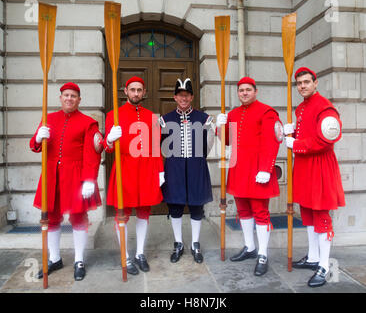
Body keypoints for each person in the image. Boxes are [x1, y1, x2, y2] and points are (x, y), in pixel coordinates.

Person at [30, 82, 103, 281]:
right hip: (52, 175)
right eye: (66, 95)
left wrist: (90, 180)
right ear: (60, 97)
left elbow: (92, 153)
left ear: (79, 100)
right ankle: (54, 258)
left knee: (78, 218)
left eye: (73, 96)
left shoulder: (88, 122)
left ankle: (79, 260)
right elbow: (35, 147)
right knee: (51, 218)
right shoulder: (48, 118)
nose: (69, 98)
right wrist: (38, 138)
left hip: (76, 176)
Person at [284, 67, 345, 287]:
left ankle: (324, 265)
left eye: (306, 82)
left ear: (315, 82)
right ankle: (312, 256)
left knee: (321, 215)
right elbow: (307, 130)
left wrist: (296, 144)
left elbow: (326, 140)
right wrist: (291, 131)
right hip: (304, 167)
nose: (302, 86)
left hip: (319, 167)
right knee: (307, 213)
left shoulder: (325, 108)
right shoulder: (300, 107)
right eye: (299, 83)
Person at [216, 77, 283, 276]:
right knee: (243, 211)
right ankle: (249, 247)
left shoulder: (267, 111)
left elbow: (272, 141)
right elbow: (227, 141)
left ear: (255, 91)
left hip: (257, 171)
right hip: (238, 170)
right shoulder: (234, 113)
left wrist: (265, 168)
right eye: (241, 90)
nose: (244, 93)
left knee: (261, 213)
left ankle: (262, 254)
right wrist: (220, 127)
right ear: (238, 93)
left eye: (248, 90)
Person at [104, 76, 164, 275]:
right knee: (123, 214)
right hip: (125, 168)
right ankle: (125, 256)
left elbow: (156, 147)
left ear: (144, 92)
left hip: (147, 168)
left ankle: (139, 253)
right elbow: (108, 148)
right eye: (133, 90)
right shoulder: (114, 114)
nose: (136, 93)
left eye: (139, 90)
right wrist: (110, 140)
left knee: (144, 213)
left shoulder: (152, 116)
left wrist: (160, 171)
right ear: (126, 92)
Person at [160, 78, 214, 264]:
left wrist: (196, 159)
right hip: (173, 169)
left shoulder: (203, 118)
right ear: (175, 97)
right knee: (175, 207)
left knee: (196, 207)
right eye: (180, 95)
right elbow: (161, 148)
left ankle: (195, 244)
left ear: (191, 97)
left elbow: (208, 145)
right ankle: (178, 243)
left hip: (196, 167)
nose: (184, 98)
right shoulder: (165, 120)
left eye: (187, 95)